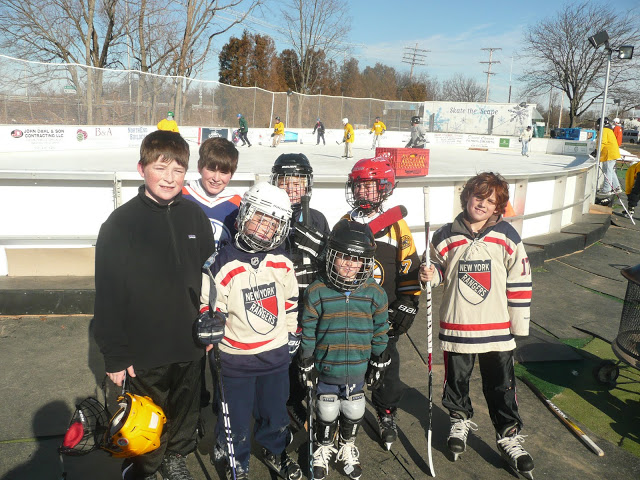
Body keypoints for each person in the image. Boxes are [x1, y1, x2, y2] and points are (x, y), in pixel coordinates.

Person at [92, 130, 215, 480]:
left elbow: (210, 278)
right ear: (141, 168)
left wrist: (210, 323)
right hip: (144, 349)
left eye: (178, 170)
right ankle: (144, 464)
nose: (169, 178)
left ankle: (176, 456)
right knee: (146, 415)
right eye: (161, 168)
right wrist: (115, 355)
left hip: (189, 342)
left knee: (185, 408)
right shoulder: (120, 224)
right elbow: (108, 294)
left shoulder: (195, 217)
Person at [419, 172, 534, 480]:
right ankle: (459, 419)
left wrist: (518, 324)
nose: (482, 204)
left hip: (497, 329)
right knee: (456, 381)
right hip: (458, 326)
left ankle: (508, 435)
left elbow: (520, 279)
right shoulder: (444, 235)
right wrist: (430, 275)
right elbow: (438, 269)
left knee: (501, 385)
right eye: (478, 196)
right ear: (467, 196)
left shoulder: (507, 235)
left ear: (498, 207)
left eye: (490, 201)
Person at [200, 182, 302, 480]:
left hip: (275, 355)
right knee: (235, 417)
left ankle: (275, 449)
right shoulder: (221, 262)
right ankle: (235, 457)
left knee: (275, 412)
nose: (264, 228)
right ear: (244, 216)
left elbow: (290, 300)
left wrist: (290, 334)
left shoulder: (281, 262)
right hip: (236, 359)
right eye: (259, 218)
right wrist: (210, 321)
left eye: (273, 224)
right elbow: (210, 305)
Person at [298, 219, 389, 480]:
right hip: (328, 365)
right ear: (331, 256)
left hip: (358, 366)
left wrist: (380, 356)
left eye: (357, 260)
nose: (349, 265)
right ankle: (324, 446)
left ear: (366, 262)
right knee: (326, 409)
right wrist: (306, 358)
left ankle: (347, 446)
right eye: (343, 257)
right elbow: (308, 329)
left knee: (354, 408)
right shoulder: (318, 290)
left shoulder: (374, 292)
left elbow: (381, 328)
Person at [343, 157, 421, 450]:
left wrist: (408, 301)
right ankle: (343, 408)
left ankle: (386, 411)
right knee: (349, 362)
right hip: (352, 311)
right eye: (359, 185)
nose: (363, 191)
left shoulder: (397, 226)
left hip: (384, 314)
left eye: (370, 186)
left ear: (384, 188)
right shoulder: (345, 223)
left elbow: (409, 266)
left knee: (387, 363)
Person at [270, 153, 331, 428]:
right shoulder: (269, 216)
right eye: (285, 182)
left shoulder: (316, 218)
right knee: (284, 366)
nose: (292, 189)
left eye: (298, 183)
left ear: (307, 185)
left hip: (310, 305)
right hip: (280, 306)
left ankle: (320, 410)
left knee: (310, 360)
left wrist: (320, 248)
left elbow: (331, 265)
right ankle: (288, 407)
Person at [182, 137, 241, 251]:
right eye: (211, 170)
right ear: (199, 167)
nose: (216, 178)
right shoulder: (181, 196)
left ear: (232, 174)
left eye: (224, 172)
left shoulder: (237, 204)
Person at [595, 117, 622, 195]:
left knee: (607, 171)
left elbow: (602, 142)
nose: (596, 126)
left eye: (597, 124)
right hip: (612, 153)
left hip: (609, 154)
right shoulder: (608, 130)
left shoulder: (603, 131)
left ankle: (607, 190)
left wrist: (597, 151)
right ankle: (616, 187)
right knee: (610, 170)